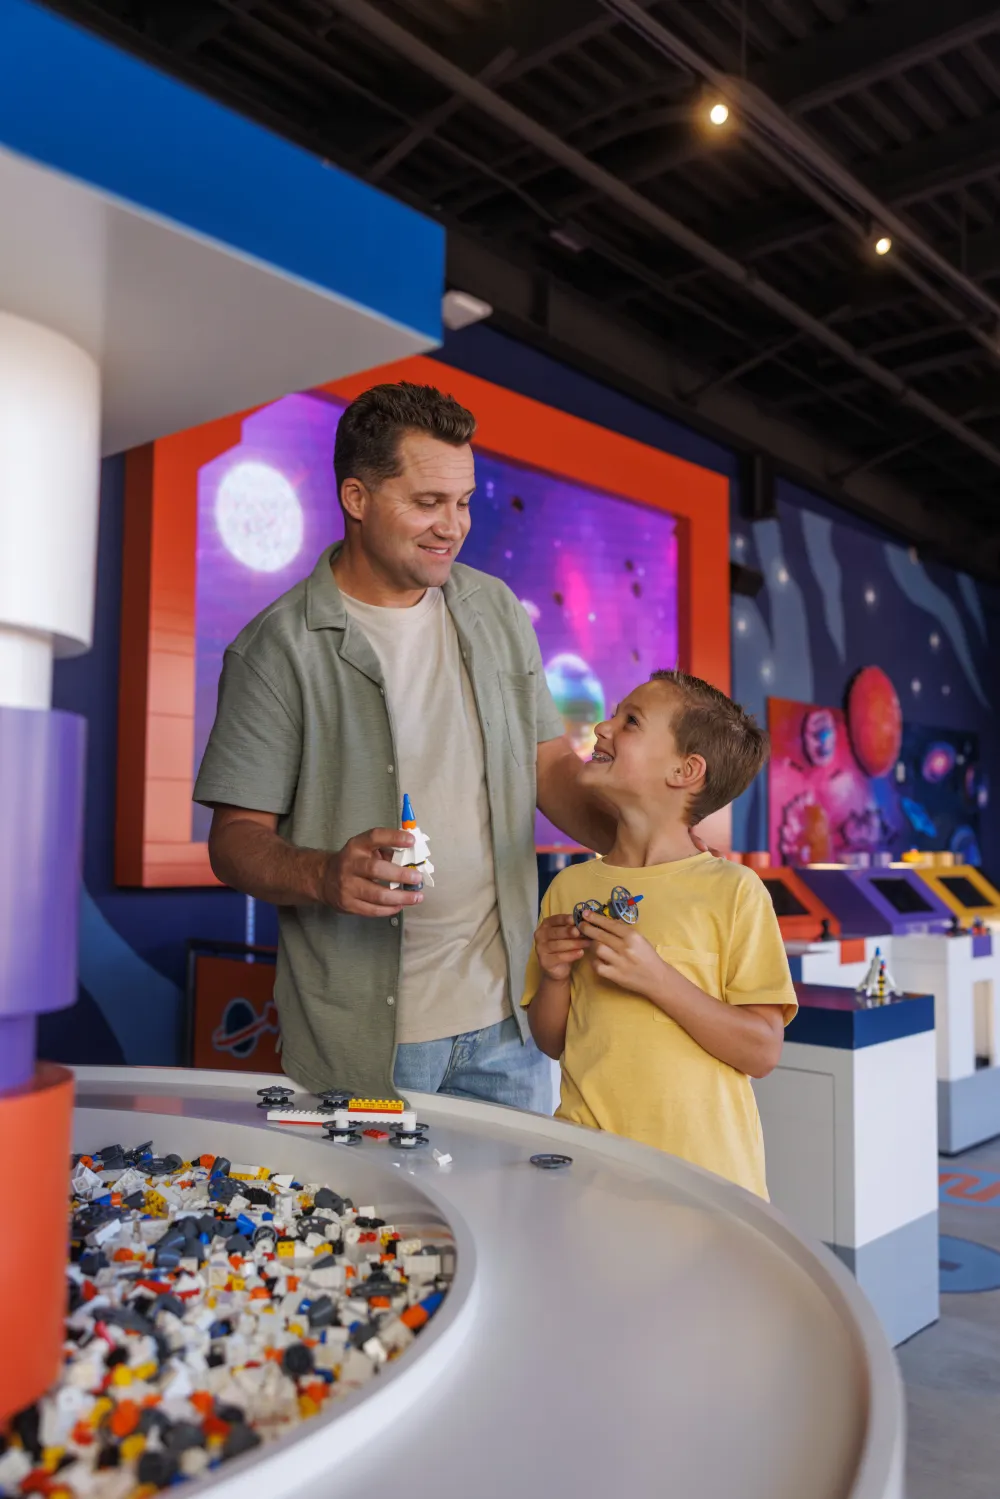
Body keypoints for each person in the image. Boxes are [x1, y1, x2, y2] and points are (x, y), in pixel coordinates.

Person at [194, 381, 616, 1109]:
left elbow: (548, 765)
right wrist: (326, 874)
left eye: (463, 501)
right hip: (364, 1044)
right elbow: (235, 839)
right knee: (378, 1228)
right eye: (427, 502)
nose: (451, 526)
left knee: (515, 1223)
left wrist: (646, 828)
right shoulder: (274, 650)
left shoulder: (495, 611)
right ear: (356, 498)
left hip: (511, 1020)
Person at [522, 669, 797, 1198]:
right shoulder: (569, 886)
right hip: (589, 1174)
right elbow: (552, 1041)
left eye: (630, 721)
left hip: (703, 1185)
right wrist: (554, 976)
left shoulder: (734, 891)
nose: (602, 728)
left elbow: (762, 1051)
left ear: (685, 770)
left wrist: (656, 979)